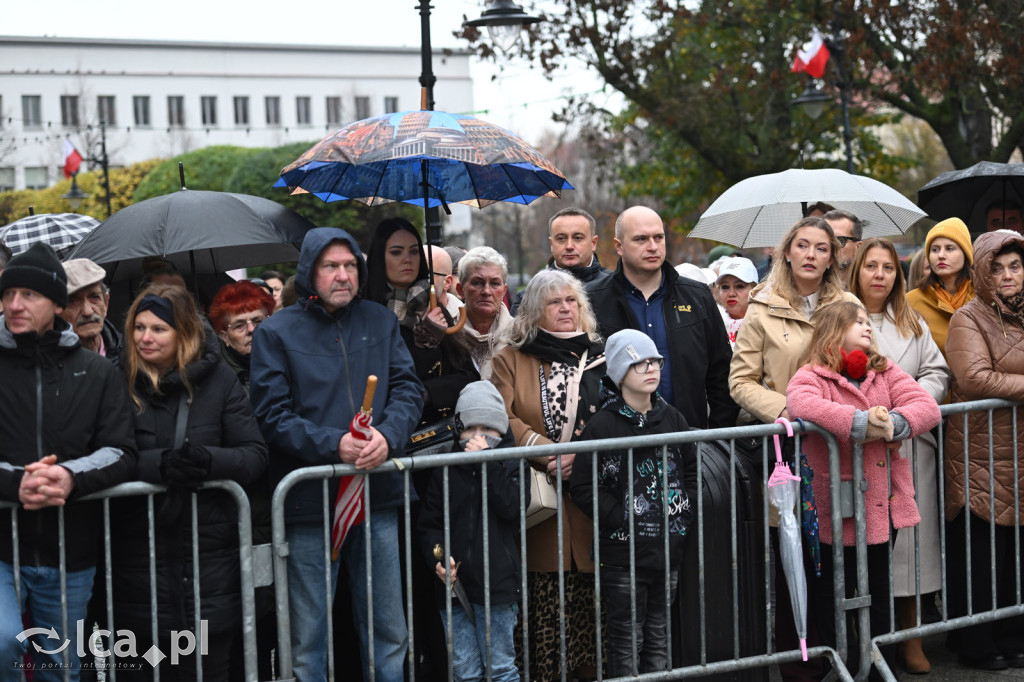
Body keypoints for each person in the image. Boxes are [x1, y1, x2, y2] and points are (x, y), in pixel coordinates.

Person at [250, 227, 423, 682]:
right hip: (310, 502)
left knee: (388, 631)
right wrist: (334, 445)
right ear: (310, 271)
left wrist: (389, 435)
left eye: (350, 265)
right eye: (331, 266)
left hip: (377, 495)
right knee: (309, 638)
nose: (343, 275)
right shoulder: (275, 331)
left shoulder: (381, 321)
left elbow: (407, 388)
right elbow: (272, 415)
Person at [109, 284, 267, 681]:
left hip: (210, 563)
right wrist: (158, 466)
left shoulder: (219, 381)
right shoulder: (115, 381)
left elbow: (254, 454)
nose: (146, 338)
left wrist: (206, 461)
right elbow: (105, 454)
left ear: (184, 333)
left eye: (159, 329)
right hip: (137, 561)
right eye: (139, 328)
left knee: (209, 671)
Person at [0, 242, 137, 682]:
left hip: (70, 550)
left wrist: (67, 477)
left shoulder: (98, 372)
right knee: (3, 643)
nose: (14, 304)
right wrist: (14, 483)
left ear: (57, 305)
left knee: (60, 668)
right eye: (7, 294)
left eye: (29, 295)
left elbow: (120, 450)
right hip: (2, 547)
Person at [728, 215, 858, 681]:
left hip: (837, 449)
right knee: (792, 559)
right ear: (787, 251)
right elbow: (740, 382)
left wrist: (837, 409)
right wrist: (790, 410)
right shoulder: (761, 307)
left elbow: (866, 365)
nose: (810, 255)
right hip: (785, 451)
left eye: (821, 248)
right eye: (802, 245)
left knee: (838, 555)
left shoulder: (847, 304)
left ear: (832, 257)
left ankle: (845, 655)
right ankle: (799, 663)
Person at [786, 300, 941, 680]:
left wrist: (895, 425)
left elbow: (926, 405)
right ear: (832, 330)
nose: (867, 327)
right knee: (831, 596)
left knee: (878, 589)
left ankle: (877, 663)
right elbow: (800, 404)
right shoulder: (811, 375)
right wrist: (860, 423)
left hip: (879, 505)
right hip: (831, 509)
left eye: (866, 322)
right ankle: (844, 662)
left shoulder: (884, 371)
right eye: (857, 322)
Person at [489, 269, 606, 681]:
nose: (565, 309)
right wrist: (545, 451)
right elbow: (501, 417)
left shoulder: (601, 355)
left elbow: (620, 413)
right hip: (542, 505)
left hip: (593, 503)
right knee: (546, 612)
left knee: (595, 618)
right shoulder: (509, 358)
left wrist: (586, 456)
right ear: (535, 311)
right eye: (554, 302)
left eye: (571, 301)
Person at [849, 238, 950, 673]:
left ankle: (911, 636)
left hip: (911, 443)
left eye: (887, 267)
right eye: (870, 266)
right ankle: (867, 642)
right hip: (862, 448)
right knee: (866, 548)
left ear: (898, 274)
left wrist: (910, 408)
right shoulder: (841, 317)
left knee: (912, 545)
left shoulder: (911, 319)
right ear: (857, 271)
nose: (878, 274)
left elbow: (936, 371)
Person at [569, 329, 692, 677]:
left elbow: (692, 470)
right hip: (623, 555)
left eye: (655, 361)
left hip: (668, 547)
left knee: (658, 633)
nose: (651, 368)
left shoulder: (672, 418)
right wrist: (620, 517)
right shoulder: (602, 425)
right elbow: (582, 485)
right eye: (640, 364)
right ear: (621, 372)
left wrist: (684, 511)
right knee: (626, 637)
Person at [943, 229, 1024, 671]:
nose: (1008, 275)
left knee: (1015, 548)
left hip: (1019, 448)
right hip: (980, 452)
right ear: (981, 271)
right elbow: (975, 378)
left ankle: (1012, 634)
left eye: (1015, 265)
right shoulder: (968, 317)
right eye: (998, 267)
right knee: (981, 549)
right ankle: (974, 642)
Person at [588, 206, 738, 429]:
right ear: (619, 246)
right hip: (621, 446)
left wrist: (716, 439)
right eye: (641, 239)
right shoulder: (593, 299)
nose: (652, 247)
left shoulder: (697, 295)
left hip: (691, 441)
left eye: (658, 237)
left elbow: (721, 373)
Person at [418, 381, 525, 682]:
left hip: (498, 586)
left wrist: (485, 465)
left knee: (501, 667)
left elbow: (513, 507)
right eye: (470, 429)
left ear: (501, 431)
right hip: (454, 588)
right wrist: (439, 559)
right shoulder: (446, 467)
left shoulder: (510, 462)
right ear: (457, 429)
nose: (479, 437)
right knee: (465, 672)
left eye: (488, 430)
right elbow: (430, 525)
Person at [510, 207, 610, 315]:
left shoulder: (615, 289)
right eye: (561, 238)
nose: (569, 246)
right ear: (552, 244)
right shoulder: (528, 298)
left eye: (578, 238)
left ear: (593, 243)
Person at [906, 218, 975, 358]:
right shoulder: (911, 301)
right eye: (935, 249)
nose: (941, 255)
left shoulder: (984, 297)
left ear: (966, 253)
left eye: (949, 248)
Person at [454, 246, 513, 380]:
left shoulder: (520, 337)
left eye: (494, 283)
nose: (486, 291)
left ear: (504, 291)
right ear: (460, 290)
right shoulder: (448, 336)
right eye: (477, 283)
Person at [208, 280, 276, 393]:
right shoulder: (214, 378)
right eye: (239, 326)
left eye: (258, 321)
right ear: (225, 337)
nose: (251, 330)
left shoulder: (288, 359)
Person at [61, 258, 123, 361]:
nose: (87, 311)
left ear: (106, 303)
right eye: (72, 301)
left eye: (94, 297)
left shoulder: (131, 355)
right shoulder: (44, 368)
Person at [714, 256, 758, 349]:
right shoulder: (710, 326)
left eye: (739, 286)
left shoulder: (768, 324)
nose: (731, 294)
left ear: (755, 290)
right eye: (725, 287)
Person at [823, 209, 863, 289]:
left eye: (840, 240)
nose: (831, 246)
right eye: (824, 239)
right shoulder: (804, 289)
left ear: (858, 247)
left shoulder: (868, 289)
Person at [424, 244, 463, 319]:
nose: (418, 281)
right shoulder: (400, 315)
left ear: (447, 282)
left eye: (426, 275)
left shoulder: (466, 318)